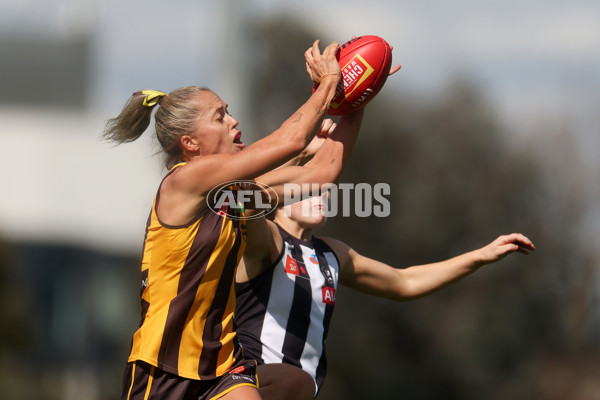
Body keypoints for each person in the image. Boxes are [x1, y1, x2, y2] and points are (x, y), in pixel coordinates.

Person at [103, 40, 349, 400]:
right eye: (219, 116)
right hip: (164, 367)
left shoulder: (234, 196)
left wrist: (356, 101)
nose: (233, 121)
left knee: (294, 382)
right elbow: (292, 139)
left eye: (228, 111)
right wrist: (329, 83)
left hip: (222, 367)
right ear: (189, 142)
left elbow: (322, 173)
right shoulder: (185, 181)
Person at [235, 192, 535, 399]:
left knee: (298, 383)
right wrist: (295, 155)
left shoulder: (331, 253)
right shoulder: (268, 238)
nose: (323, 194)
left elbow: (404, 282)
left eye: (324, 188)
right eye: (310, 187)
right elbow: (245, 201)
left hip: (294, 391)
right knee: (294, 381)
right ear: (282, 195)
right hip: (251, 380)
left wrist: (480, 256)